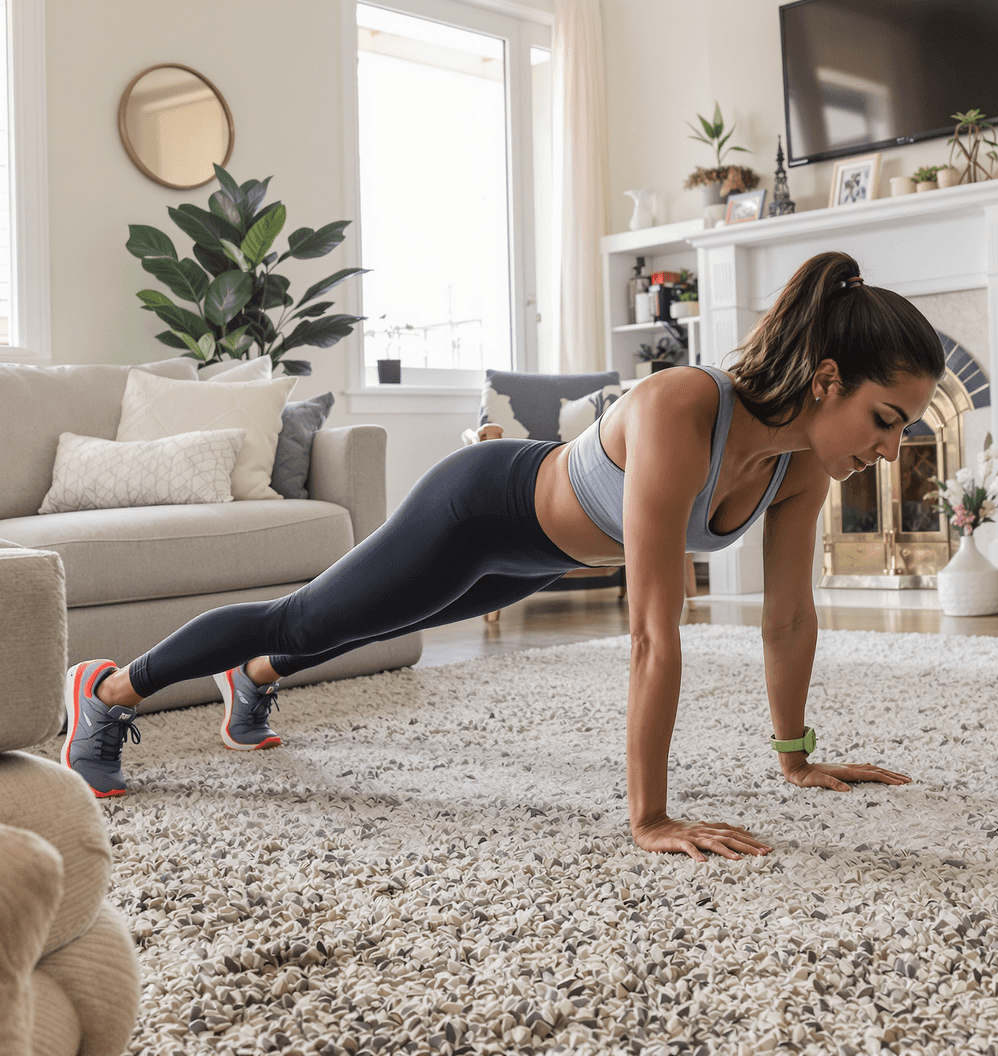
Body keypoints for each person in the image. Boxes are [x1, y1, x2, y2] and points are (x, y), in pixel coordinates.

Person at [63, 251, 944, 862]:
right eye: (886, 420)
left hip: (542, 557)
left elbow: (788, 618)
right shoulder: (684, 407)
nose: (890, 448)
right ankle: (106, 693)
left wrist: (795, 756)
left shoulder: (799, 469)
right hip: (480, 506)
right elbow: (651, 635)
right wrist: (651, 818)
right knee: (315, 616)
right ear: (826, 380)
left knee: (375, 620)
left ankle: (253, 676)